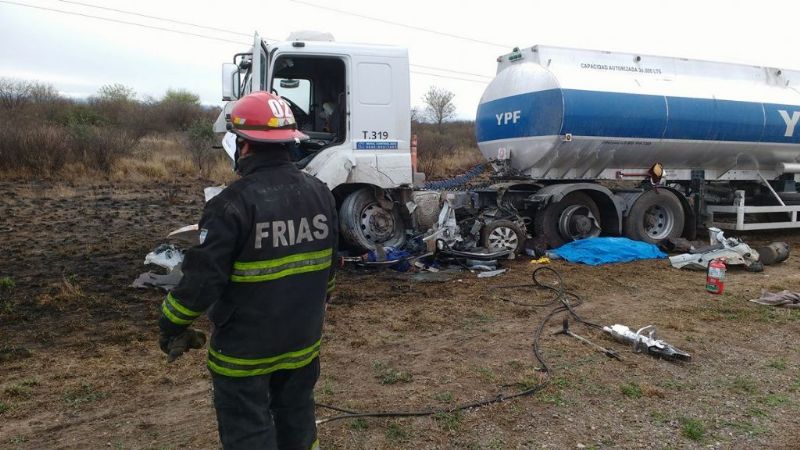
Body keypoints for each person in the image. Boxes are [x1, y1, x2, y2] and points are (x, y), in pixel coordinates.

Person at [158, 91, 338, 450]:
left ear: (244, 147)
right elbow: (329, 271)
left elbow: (202, 282)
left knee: (248, 432)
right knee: (298, 422)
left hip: (244, 353)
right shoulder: (321, 193)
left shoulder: (229, 205)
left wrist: (171, 325)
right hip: (302, 341)